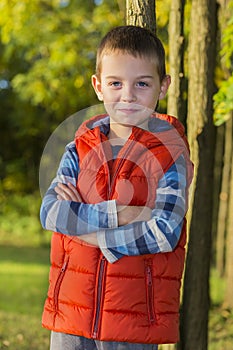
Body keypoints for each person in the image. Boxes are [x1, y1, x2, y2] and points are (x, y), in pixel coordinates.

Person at [40, 25, 194, 350]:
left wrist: (89, 232)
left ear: (162, 87)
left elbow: (163, 233)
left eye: (142, 83)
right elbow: (52, 212)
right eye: (115, 83)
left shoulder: (170, 154)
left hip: (134, 323)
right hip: (70, 314)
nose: (127, 95)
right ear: (98, 86)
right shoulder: (78, 149)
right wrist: (121, 213)